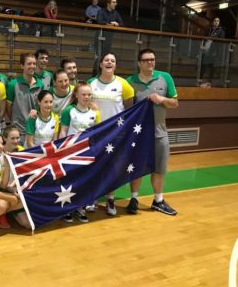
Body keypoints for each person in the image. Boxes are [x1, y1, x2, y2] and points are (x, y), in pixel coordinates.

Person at [126, 48, 179, 216]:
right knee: (136, 167)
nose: (151, 62)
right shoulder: (130, 82)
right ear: (139, 63)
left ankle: (158, 200)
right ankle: (133, 199)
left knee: (159, 168)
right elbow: (126, 109)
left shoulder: (165, 78)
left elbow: (175, 103)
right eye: (147, 60)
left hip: (160, 133)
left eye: (153, 59)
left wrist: (162, 99)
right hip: (139, 135)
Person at [87, 52, 134, 215]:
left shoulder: (124, 84)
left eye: (112, 61)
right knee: (95, 165)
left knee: (113, 167)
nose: (109, 63)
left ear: (115, 65)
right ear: (100, 64)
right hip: (96, 132)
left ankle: (110, 200)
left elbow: (129, 108)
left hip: (116, 133)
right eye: (106, 60)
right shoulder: (91, 83)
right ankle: (92, 197)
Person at [59, 82, 100, 223]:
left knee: (83, 181)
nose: (86, 97)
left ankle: (80, 208)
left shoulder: (95, 112)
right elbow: (63, 131)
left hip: (86, 152)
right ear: (76, 95)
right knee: (69, 181)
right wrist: (61, 151)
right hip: (70, 152)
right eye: (83, 94)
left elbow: (97, 132)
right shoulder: (68, 111)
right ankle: (67, 209)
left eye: (89, 94)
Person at [7, 53, 44, 144]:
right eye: (29, 64)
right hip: (18, 132)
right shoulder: (13, 84)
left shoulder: (40, 85)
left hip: (35, 130)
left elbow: (40, 107)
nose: (32, 66)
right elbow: (9, 108)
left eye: (34, 64)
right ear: (22, 66)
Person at [0, 125, 31, 229]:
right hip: (1, 190)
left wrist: (14, 187)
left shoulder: (22, 151)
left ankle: (11, 210)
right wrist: (10, 188)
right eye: (12, 138)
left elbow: (24, 173)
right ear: (4, 138)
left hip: (16, 188)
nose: (16, 141)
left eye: (18, 138)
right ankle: (0, 213)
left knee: (28, 224)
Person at [200, 17, 226, 87]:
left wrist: (217, 52)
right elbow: (204, 38)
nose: (216, 22)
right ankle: (200, 81)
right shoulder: (209, 29)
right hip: (206, 49)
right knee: (203, 65)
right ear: (212, 22)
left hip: (214, 51)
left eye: (218, 21)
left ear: (219, 23)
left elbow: (221, 42)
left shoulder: (221, 31)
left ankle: (210, 82)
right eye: (215, 21)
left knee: (212, 67)